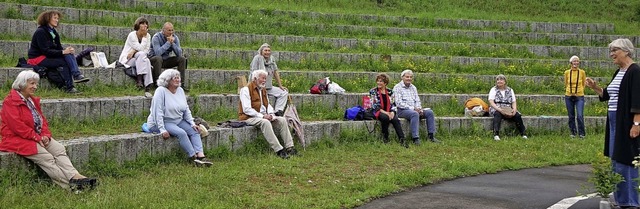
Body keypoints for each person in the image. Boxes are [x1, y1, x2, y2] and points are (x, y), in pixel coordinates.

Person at [0, 70, 97, 191]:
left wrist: (45, 135)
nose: (35, 86)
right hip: (16, 139)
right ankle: (70, 186)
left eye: (36, 84)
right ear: (22, 84)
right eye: (32, 83)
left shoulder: (31, 100)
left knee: (59, 149)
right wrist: (37, 137)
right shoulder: (10, 102)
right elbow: (17, 126)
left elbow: (42, 121)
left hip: (36, 136)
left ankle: (76, 177)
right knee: (46, 157)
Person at [585, 38, 640, 209]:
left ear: (626, 51)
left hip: (627, 121)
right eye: (611, 51)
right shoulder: (619, 72)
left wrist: (636, 124)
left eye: (615, 50)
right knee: (615, 157)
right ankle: (620, 197)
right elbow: (607, 94)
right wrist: (595, 87)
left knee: (627, 158)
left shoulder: (635, 71)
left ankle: (630, 201)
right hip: (614, 119)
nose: (611, 54)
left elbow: (638, 99)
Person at [146, 69, 212, 166]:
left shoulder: (180, 91)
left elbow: (186, 109)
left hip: (177, 120)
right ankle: (193, 157)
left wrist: (192, 123)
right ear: (167, 80)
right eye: (174, 78)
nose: (177, 80)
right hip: (162, 122)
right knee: (182, 133)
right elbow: (157, 112)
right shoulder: (160, 91)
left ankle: (201, 155)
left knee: (194, 131)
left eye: (178, 78)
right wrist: (162, 129)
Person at [238, 70, 298, 159]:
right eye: (263, 78)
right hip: (249, 117)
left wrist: (271, 114)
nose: (264, 81)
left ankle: (290, 148)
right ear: (255, 79)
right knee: (265, 122)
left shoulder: (263, 90)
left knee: (282, 120)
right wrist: (262, 116)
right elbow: (247, 109)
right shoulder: (245, 90)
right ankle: (279, 150)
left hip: (262, 115)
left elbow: (267, 105)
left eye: (265, 79)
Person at [27, 10, 90, 94]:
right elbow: (45, 51)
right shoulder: (40, 32)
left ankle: (76, 76)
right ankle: (70, 86)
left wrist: (68, 51)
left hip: (47, 56)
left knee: (69, 54)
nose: (57, 20)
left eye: (58, 18)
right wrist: (63, 52)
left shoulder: (54, 33)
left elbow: (59, 48)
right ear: (47, 19)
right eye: (55, 18)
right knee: (64, 61)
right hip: (38, 58)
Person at [392, 69, 440, 145]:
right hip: (402, 110)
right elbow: (398, 103)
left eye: (411, 77)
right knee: (414, 114)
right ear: (402, 77)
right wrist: (413, 109)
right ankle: (415, 138)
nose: (409, 79)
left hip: (414, 110)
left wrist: (419, 108)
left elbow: (417, 100)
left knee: (429, 112)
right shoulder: (397, 87)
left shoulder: (413, 87)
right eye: (407, 77)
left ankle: (431, 136)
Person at [118, 17, 153, 97]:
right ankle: (142, 81)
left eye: (146, 24)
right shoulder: (132, 35)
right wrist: (144, 38)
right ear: (138, 25)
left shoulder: (148, 36)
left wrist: (134, 51)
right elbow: (140, 48)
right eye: (142, 23)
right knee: (142, 56)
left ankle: (144, 84)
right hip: (128, 59)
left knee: (145, 59)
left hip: (139, 58)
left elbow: (146, 51)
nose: (145, 25)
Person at [250, 43, 288, 116]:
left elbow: (275, 72)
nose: (267, 52)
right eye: (265, 50)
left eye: (269, 50)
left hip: (268, 86)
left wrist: (280, 85)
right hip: (258, 87)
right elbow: (253, 73)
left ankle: (278, 111)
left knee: (284, 92)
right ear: (261, 51)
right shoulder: (257, 58)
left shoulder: (272, 59)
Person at [368, 73, 406, 147]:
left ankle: (402, 140)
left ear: (385, 83)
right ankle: (385, 138)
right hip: (378, 111)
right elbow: (374, 105)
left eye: (381, 81)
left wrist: (392, 112)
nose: (378, 83)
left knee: (395, 119)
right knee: (385, 118)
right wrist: (386, 113)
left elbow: (394, 104)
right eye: (378, 81)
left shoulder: (390, 92)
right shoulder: (373, 91)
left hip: (389, 111)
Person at [149, 22, 187, 90]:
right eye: (169, 30)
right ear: (163, 31)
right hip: (154, 59)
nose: (171, 32)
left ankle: (181, 84)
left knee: (182, 59)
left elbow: (179, 53)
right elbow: (158, 53)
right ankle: (157, 84)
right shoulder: (156, 37)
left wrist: (172, 44)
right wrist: (168, 43)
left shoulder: (175, 37)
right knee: (158, 58)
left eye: (172, 30)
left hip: (166, 60)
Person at [488, 74, 527, 141]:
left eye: (501, 79)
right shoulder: (493, 89)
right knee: (497, 114)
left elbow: (514, 101)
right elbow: (491, 102)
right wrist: (499, 109)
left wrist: (514, 109)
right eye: (497, 80)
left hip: (508, 108)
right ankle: (496, 134)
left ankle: (523, 134)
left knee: (517, 115)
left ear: (505, 82)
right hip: (496, 107)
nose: (499, 81)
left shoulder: (510, 90)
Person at [564, 55, 587, 139]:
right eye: (574, 61)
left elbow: (584, 83)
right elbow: (566, 82)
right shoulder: (567, 72)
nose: (576, 63)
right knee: (571, 115)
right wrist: (570, 91)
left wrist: (579, 91)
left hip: (579, 96)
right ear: (571, 62)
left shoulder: (582, 72)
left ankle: (582, 133)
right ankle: (573, 132)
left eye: (577, 61)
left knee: (580, 115)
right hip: (569, 95)